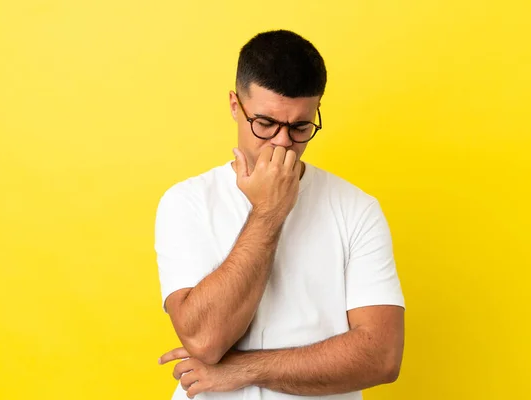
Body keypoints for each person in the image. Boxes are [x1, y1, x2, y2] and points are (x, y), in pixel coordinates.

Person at [155, 29, 405, 400]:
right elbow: (205, 340)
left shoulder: (357, 209)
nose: (283, 142)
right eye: (266, 124)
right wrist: (269, 213)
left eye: (300, 127)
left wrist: (242, 370)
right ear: (235, 106)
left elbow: (381, 356)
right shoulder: (186, 201)